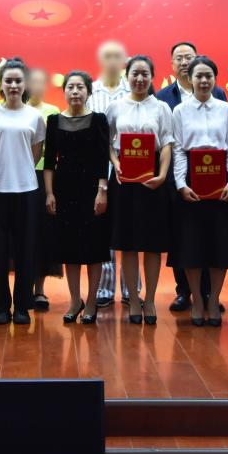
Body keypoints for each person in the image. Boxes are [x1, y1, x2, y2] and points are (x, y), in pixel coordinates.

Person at [155, 42, 227, 313]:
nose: (184, 62)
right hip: (178, 177)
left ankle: (209, 293)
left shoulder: (217, 93)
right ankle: (184, 291)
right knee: (183, 236)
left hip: (214, 177)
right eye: (179, 58)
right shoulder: (163, 97)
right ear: (172, 64)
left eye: (189, 57)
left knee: (210, 235)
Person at [171, 56, 228, 327]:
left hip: (221, 181)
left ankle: (214, 300)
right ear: (189, 79)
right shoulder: (180, 111)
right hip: (191, 182)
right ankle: (198, 301)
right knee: (192, 245)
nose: (203, 80)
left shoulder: (226, 109)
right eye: (198, 76)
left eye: (208, 76)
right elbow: (179, 150)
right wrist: (181, 184)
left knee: (219, 245)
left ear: (215, 79)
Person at [107, 54, 175, 326]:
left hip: (152, 179)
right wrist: (116, 164)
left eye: (145, 74)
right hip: (124, 179)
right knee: (128, 243)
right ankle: (133, 299)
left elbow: (167, 143)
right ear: (127, 77)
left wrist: (162, 175)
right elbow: (108, 143)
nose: (139, 78)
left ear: (152, 77)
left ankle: (150, 299)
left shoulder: (161, 108)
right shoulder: (115, 107)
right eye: (135, 73)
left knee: (152, 244)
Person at [0, 59, 47, 326]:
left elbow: (35, 153)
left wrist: (18, 171)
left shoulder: (34, 116)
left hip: (27, 190)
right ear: (1, 84)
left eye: (18, 81)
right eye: (8, 80)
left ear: (25, 84)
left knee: (25, 248)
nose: (14, 85)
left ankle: (22, 305)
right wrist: (0, 170)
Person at [43, 70, 110, 324]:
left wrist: (102, 191)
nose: (75, 92)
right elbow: (49, 162)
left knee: (94, 247)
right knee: (69, 247)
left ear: (88, 92)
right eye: (70, 87)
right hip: (64, 189)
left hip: (92, 190)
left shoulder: (99, 120)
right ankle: (75, 300)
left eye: (80, 87)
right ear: (64, 92)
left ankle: (91, 301)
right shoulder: (53, 121)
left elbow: (102, 159)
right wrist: (50, 193)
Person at [90, 40, 132, 310]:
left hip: (130, 170)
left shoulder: (135, 89)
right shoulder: (91, 92)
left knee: (129, 228)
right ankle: (104, 288)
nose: (113, 61)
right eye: (108, 56)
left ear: (124, 60)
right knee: (103, 227)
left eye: (118, 56)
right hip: (99, 169)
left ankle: (131, 289)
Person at [27, 66, 62, 311]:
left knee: (43, 233)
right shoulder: (18, 109)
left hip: (46, 176)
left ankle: (39, 290)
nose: (37, 86)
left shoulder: (53, 112)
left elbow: (55, 151)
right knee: (23, 233)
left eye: (41, 82)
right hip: (21, 175)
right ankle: (23, 288)